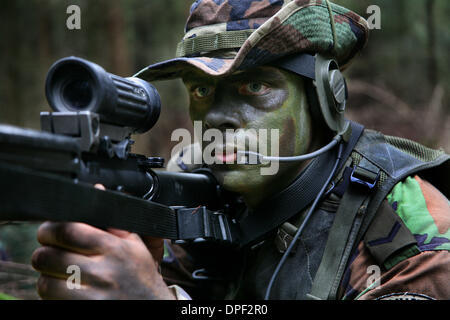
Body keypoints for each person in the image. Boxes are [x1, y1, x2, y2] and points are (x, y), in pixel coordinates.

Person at [31, 0, 450, 300]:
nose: (218, 118)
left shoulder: (403, 222)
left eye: (255, 87)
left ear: (324, 97)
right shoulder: (194, 187)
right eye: (201, 89)